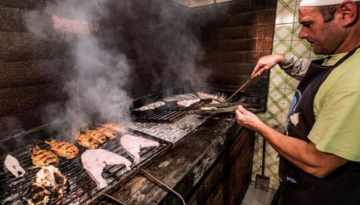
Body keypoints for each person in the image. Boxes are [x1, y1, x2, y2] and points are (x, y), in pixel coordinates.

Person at [235, 0, 360, 204]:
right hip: (300, 184)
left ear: (346, 13)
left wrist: (257, 125)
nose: (301, 34)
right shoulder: (341, 57)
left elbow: (319, 162)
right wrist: (281, 58)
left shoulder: (355, 82)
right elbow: (318, 74)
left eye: (308, 24)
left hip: (323, 195)